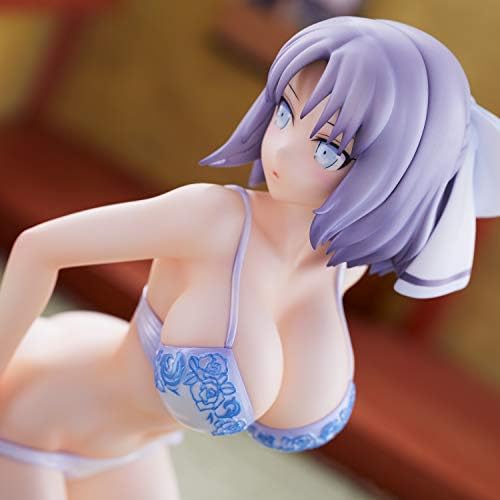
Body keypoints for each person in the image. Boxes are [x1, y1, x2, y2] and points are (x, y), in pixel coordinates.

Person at [0, 15, 498, 500]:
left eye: (328, 149)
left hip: (129, 451)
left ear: (398, 172)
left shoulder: (344, 268)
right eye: (284, 112)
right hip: (40, 413)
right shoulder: (211, 218)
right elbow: (39, 248)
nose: (281, 150)